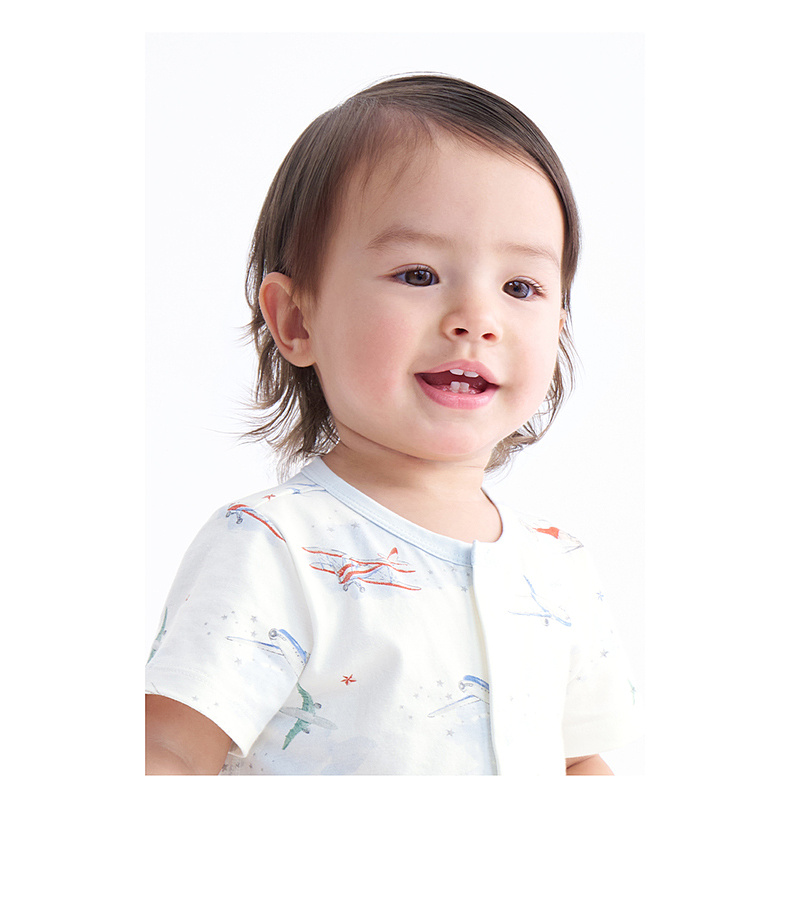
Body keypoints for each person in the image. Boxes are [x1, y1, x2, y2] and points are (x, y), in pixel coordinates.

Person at [145, 73, 642, 775]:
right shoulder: (274, 546)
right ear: (297, 319)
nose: (477, 318)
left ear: (559, 323)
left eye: (520, 286)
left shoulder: (556, 565)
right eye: (418, 275)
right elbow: (168, 749)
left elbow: (577, 762)